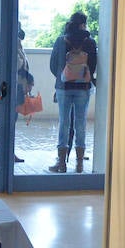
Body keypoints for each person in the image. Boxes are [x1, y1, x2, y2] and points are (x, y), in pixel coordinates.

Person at [47, 11, 98, 173]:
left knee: (64, 123)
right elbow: (94, 65)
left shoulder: (61, 40)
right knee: (81, 123)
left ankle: (61, 163)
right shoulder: (90, 42)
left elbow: (53, 64)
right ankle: (79, 164)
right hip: (83, 88)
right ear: (83, 24)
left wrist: (64, 77)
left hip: (63, 87)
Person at [13, 26, 33, 163]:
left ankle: (10, 153)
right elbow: (18, 64)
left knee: (12, 122)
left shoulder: (17, 46)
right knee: (9, 122)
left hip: (17, 88)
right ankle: (7, 154)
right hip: (12, 90)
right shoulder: (11, 45)